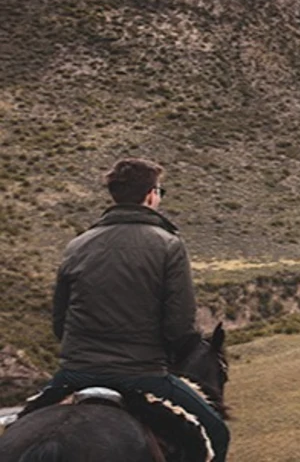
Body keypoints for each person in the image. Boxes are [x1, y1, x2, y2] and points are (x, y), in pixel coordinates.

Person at [23, 159, 229, 461]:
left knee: (20, 426)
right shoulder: (168, 245)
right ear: (150, 195)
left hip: (76, 372)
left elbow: (59, 323)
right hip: (141, 373)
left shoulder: (77, 245)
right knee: (217, 432)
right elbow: (179, 327)